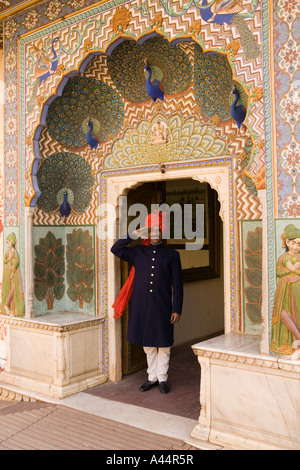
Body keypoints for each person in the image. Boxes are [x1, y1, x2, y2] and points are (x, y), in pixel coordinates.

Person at [111, 211, 183, 394]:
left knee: (164, 343)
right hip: (141, 305)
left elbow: (179, 285)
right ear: (147, 232)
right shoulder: (137, 252)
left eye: (158, 230)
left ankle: (163, 378)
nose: (154, 234)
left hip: (163, 305)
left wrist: (177, 308)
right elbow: (116, 249)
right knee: (148, 344)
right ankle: (152, 377)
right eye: (151, 230)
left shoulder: (171, 255)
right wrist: (133, 234)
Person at [270, 224, 300, 355]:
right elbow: (278, 272)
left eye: (299, 244)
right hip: (283, 288)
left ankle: (296, 344)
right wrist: (290, 269)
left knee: (296, 312)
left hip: (297, 287)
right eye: (293, 243)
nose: (296, 247)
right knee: (282, 312)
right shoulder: (282, 258)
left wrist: (291, 269)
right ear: (287, 242)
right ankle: (285, 343)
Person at [1, 233, 25, 317]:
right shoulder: (8, 252)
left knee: (14, 289)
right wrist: (8, 260)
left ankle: (11, 309)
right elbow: (4, 261)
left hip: (14, 272)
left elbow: (17, 262)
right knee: (11, 288)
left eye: (8, 242)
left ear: (12, 242)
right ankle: (7, 306)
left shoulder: (15, 252)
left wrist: (12, 271)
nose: (7, 244)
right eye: (6, 243)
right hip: (9, 272)